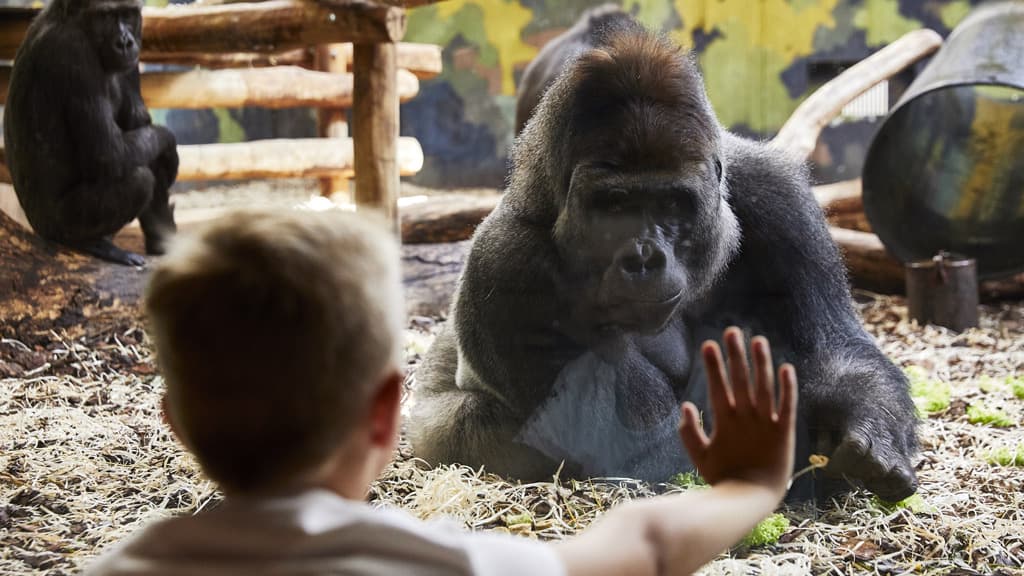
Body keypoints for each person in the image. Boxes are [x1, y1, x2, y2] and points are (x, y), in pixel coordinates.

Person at [84, 208, 797, 576]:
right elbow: (644, 548)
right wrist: (751, 487)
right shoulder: (436, 564)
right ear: (386, 415)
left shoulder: (119, 567)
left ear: (175, 423)